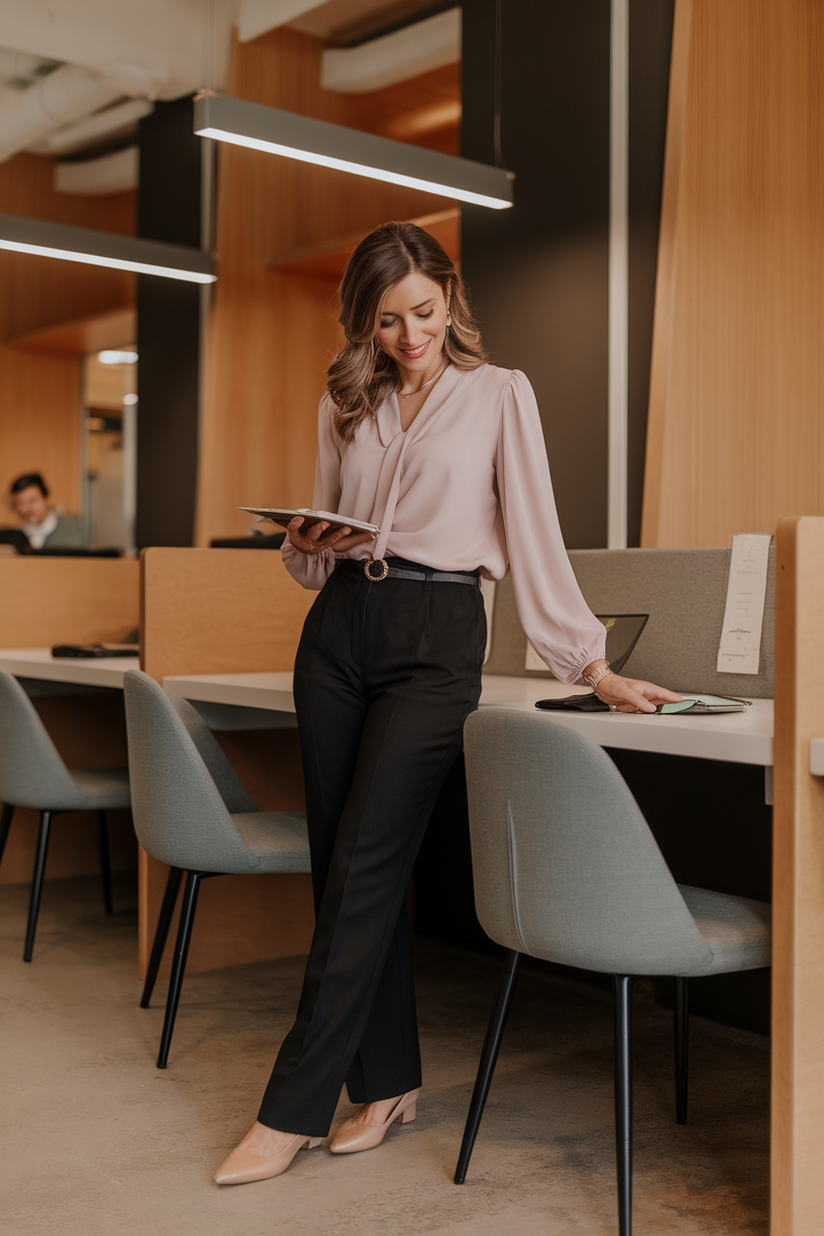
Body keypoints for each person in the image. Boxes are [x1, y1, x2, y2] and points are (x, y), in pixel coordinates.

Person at [214, 222, 681, 1186]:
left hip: (437, 635)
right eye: (387, 320)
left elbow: (536, 534)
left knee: (371, 859)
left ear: (450, 301)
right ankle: (386, 1083)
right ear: (365, 321)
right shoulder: (345, 401)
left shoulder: (499, 395)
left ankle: (289, 1108)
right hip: (339, 632)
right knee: (341, 866)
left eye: (423, 313)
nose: (408, 335)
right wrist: (307, 539)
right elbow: (311, 561)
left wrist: (589, 667)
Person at [8, 473, 83, 550]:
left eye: (32, 501)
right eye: (20, 503)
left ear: (46, 498)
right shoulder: (17, 535)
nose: (26, 508)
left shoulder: (73, 526)